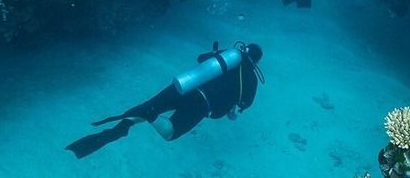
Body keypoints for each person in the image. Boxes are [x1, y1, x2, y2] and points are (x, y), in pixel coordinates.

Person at [65, 42, 265, 159]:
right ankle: (150, 115)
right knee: (170, 132)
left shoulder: (226, 57)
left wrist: (215, 53)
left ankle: (118, 129)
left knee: (149, 104)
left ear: (243, 50)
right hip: (201, 104)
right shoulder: (252, 79)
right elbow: (244, 105)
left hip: (184, 86)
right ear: (256, 62)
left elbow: (200, 59)